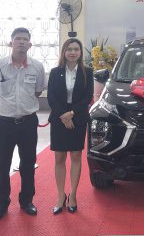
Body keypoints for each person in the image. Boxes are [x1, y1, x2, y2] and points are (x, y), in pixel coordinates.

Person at [0, 27, 46, 222]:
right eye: (17, 39)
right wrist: (7, 105)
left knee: (28, 164)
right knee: (2, 164)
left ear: (30, 44)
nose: (21, 42)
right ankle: (1, 204)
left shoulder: (37, 67)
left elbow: (37, 91)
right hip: (4, 123)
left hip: (28, 123)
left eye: (25, 39)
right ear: (10, 43)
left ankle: (26, 201)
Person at [47, 38, 93, 214]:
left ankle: (73, 195)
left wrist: (72, 113)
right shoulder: (55, 72)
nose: (73, 52)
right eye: (69, 49)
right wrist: (63, 115)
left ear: (80, 52)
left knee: (75, 156)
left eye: (76, 49)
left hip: (78, 118)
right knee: (59, 158)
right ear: (64, 52)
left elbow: (88, 96)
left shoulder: (87, 72)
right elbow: (51, 97)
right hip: (59, 118)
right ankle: (60, 195)